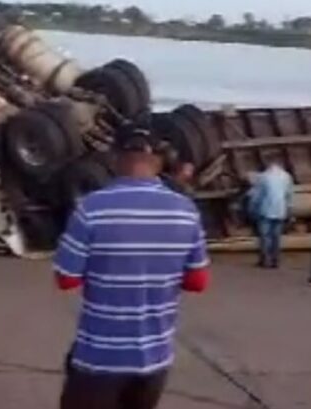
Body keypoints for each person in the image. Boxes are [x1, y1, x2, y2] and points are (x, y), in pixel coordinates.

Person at [53, 128, 210, 409]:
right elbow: (198, 282)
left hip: (99, 359)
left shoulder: (91, 208)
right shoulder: (186, 211)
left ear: (115, 158)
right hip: (154, 360)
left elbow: (66, 280)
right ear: (161, 160)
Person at [249, 155, 294, 269]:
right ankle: (275, 260)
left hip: (265, 210)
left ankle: (265, 260)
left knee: (265, 236)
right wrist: (289, 209)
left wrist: (252, 208)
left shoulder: (263, 177)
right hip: (280, 210)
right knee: (276, 237)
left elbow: (257, 196)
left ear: (268, 164)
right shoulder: (286, 176)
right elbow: (289, 195)